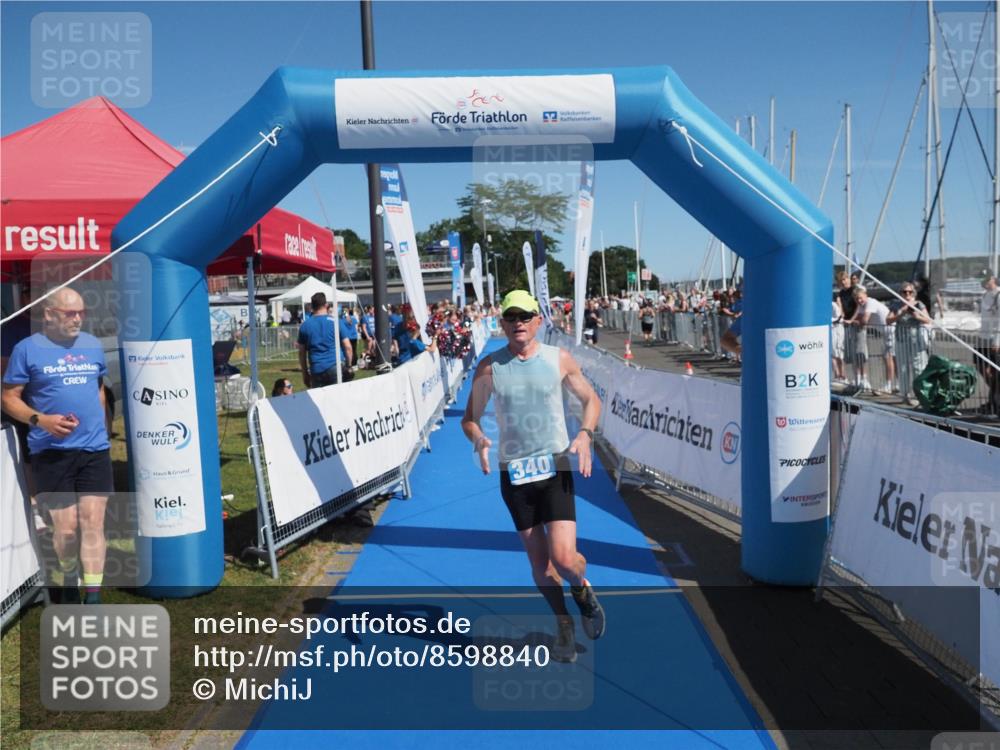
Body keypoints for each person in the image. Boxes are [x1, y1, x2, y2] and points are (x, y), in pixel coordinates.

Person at [462, 290, 604, 663]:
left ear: (538, 320)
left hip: (554, 466)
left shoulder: (558, 360)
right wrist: (478, 439)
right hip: (514, 475)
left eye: (526, 314)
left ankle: (581, 585)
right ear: (502, 323)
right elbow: (470, 418)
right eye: (511, 316)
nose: (519, 321)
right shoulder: (490, 368)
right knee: (540, 566)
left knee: (564, 559)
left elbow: (592, 400)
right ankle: (563, 625)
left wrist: (585, 434)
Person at [1, 287, 112, 604]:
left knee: (93, 521)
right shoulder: (26, 349)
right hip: (51, 452)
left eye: (81, 312)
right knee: (65, 530)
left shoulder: (92, 346)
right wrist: (42, 420)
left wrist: (103, 429)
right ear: (49, 314)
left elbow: (99, 389)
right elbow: (8, 398)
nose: (78, 319)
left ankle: (92, 597)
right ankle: (66, 578)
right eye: (70, 313)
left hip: (94, 450)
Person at [887, 283, 932, 406]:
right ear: (900, 293)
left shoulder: (919, 304)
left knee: (919, 368)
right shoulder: (895, 304)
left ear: (914, 293)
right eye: (904, 292)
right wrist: (901, 313)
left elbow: (928, 319)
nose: (907, 294)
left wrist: (916, 315)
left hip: (916, 339)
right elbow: (888, 320)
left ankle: (920, 394)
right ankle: (905, 394)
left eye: (910, 292)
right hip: (901, 339)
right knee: (902, 368)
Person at [297, 292, 350, 388]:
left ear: (312, 306)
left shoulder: (305, 326)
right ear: (326, 305)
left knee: (319, 401)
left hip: (316, 368)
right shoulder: (336, 322)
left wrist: (304, 374)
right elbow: (347, 346)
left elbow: (301, 353)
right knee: (338, 398)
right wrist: (349, 365)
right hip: (335, 366)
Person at [977, 275, 1000, 415]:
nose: (984, 282)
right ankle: (994, 396)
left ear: (993, 279)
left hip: (995, 338)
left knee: (997, 371)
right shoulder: (985, 295)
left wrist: (998, 340)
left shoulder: (999, 295)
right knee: (980, 365)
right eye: (982, 279)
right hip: (983, 337)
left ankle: (994, 400)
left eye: (987, 279)